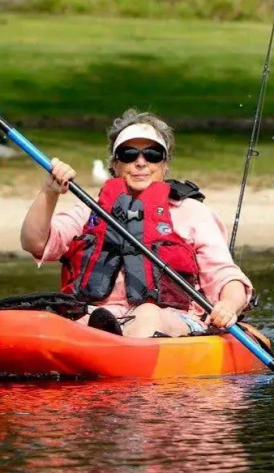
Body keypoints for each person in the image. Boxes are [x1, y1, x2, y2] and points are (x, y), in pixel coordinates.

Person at [19, 109, 253, 338]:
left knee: (147, 314)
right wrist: (49, 192)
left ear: (165, 163)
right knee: (65, 315)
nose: (141, 162)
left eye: (152, 154)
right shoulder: (90, 211)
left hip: (170, 319)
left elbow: (226, 276)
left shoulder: (193, 213)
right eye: (129, 154)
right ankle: (102, 336)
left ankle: (113, 345)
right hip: (96, 316)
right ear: (115, 164)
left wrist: (229, 306)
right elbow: (35, 242)